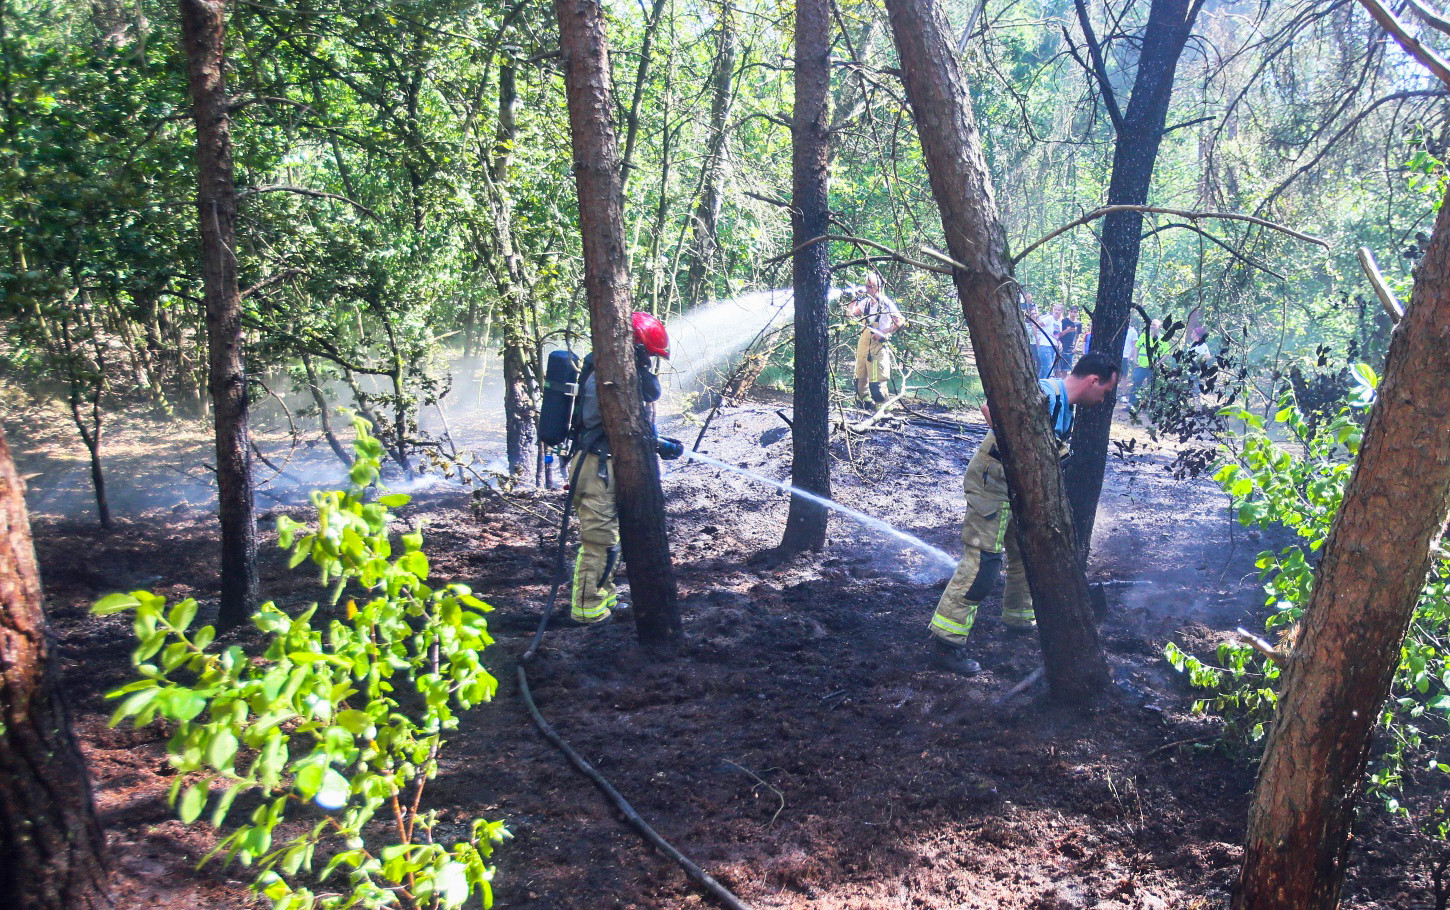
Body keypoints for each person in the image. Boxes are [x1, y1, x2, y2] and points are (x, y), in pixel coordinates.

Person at [927, 353, 1121, 675]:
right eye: (1105, 391)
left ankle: (1018, 621)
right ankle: (945, 643)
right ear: (1092, 381)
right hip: (993, 481)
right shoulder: (1043, 391)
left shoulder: (1064, 408)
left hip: (1017, 486)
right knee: (984, 562)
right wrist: (1019, 448)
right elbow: (990, 408)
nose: (1103, 400)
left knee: (1023, 553)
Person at [567, 312, 676, 625]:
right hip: (594, 467)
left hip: (603, 464)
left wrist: (657, 441)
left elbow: (626, 418)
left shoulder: (608, 372)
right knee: (599, 540)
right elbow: (615, 420)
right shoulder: (605, 375)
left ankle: (605, 598)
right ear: (635, 349)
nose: (647, 366)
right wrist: (654, 440)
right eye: (647, 357)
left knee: (610, 539)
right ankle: (588, 611)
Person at [847, 271, 905, 406]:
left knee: (876, 384)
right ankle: (864, 407)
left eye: (870, 286)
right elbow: (850, 315)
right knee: (860, 379)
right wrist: (853, 298)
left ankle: (883, 412)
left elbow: (900, 321)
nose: (867, 289)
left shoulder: (886, 303)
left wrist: (883, 332)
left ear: (878, 288)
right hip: (863, 345)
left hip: (877, 348)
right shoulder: (865, 303)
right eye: (866, 286)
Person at [1130, 318, 1163, 408]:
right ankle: (1131, 405)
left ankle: (1148, 406)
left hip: (1153, 367)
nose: (1152, 326)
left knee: (1151, 387)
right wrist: (1135, 359)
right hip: (1140, 365)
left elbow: (1166, 354)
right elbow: (1136, 347)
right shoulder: (1144, 335)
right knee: (1136, 384)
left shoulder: (1162, 338)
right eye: (1151, 324)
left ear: (1159, 327)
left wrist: (1158, 363)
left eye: (1154, 325)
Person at [1054, 306, 1080, 376]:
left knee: (1066, 370)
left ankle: (1064, 385)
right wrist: (1067, 330)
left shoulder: (1078, 324)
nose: (1073, 314)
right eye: (1071, 311)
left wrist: (1075, 348)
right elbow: (1059, 334)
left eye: (1075, 312)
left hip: (1070, 349)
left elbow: (1078, 337)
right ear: (1069, 312)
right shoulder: (1064, 321)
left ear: (1077, 313)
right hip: (1062, 348)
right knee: (1058, 370)